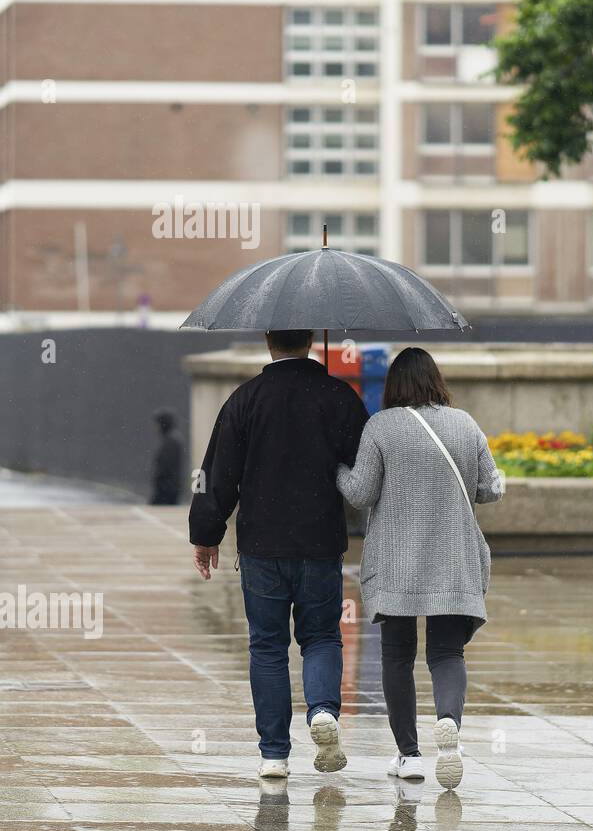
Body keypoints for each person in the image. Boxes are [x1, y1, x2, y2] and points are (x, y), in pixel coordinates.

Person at [189, 329, 369, 780]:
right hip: (320, 543)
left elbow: (218, 473)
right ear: (310, 339)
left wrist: (206, 533)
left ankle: (274, 753)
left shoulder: (245, 400)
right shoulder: (339, 396)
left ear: (269, 340)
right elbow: (365, 468)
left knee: (267, 646)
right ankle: (323, 711)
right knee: (322, 637)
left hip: (261, 546)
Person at [337, 346, 504, 790]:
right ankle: (448, 724)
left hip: (397, 564)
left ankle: (409, 755)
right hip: (452, 561)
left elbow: (359, 492)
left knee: (397, 656)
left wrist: (335, 467)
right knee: (447, 653)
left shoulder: (381, 427)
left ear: (393, 386)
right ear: (437, 381)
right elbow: (490, 487)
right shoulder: (465, 424)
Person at [149, 408, 185, 505]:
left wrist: (158, 479)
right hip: (169, 487)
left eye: (158, 424)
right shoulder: (172, 439)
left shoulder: (171, 441)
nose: (156, 427)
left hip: (167, 489)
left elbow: (166, 466)